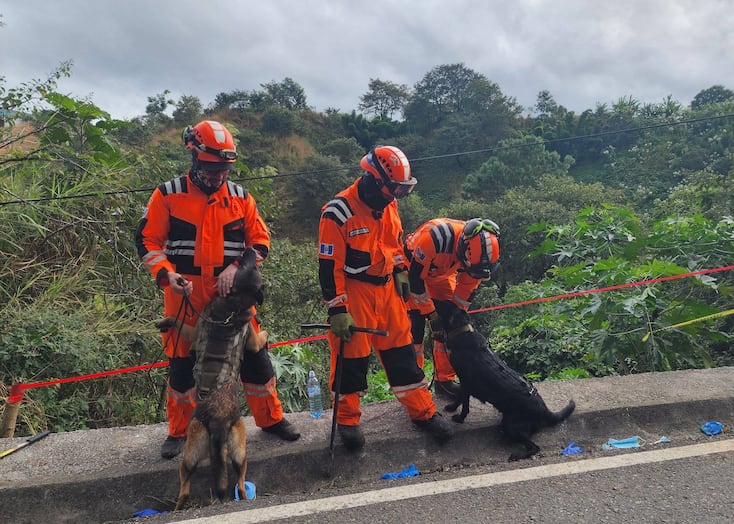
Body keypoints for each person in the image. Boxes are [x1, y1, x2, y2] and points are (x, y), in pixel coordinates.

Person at [135, 119, 299, 459]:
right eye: (211, 169)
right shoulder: (168, 195)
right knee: (182, 367)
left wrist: (237, 267)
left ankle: (271, 419)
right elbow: (147, 241)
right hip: (186, 295)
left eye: (224, 169)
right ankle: (180, 431)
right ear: (194, 157)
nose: (218, 176)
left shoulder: (240, 198)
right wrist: (167, 275)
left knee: (255, 359)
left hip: (233, 298)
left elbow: (260, 242)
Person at [317, 145, 452, 450]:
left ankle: (423, 412)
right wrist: (337, 308)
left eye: (402, 191)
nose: (396, 196)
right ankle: (347, 421)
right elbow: (328, 266)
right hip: (354, 292)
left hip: (387, 288)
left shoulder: (388, 204)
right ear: (374, 179)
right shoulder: (338, 212)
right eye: (394, 189)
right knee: (351, 358)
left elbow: (394, 242)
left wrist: (401, 269)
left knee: (402, 352)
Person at [404, 218, 501, 400]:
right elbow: (415, 281)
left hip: (441, 275)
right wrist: (432, 315)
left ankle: (444, 381)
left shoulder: (478, 263)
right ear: (463, 250)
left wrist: (452, 318)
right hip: (409, 270)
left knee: (452, 326)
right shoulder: (435, 238)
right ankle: (416, 386)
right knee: (414, 328)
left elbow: (463, 295)